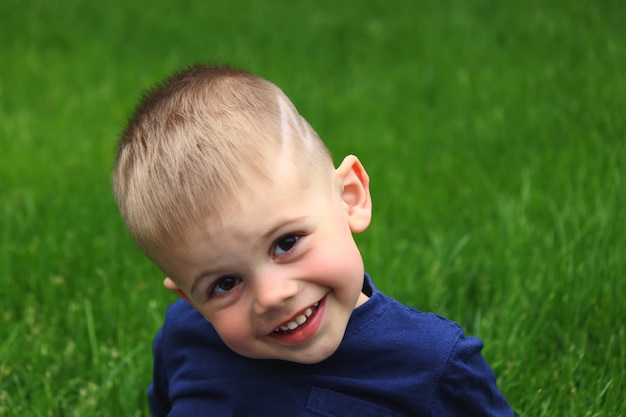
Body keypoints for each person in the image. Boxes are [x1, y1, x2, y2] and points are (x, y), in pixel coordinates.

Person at [112, 63, 514, 416]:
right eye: (224, 284)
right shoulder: (185, 339)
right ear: (190, 299)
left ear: (350, 198)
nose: (272, 295)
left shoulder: (430, 365)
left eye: (286, 243)